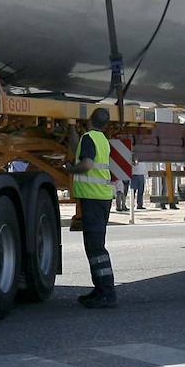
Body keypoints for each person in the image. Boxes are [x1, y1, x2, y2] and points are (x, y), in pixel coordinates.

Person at [68, 107, 118, 309]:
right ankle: (100, 289)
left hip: (93, 198)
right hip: (100, 198)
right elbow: (80, 151)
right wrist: (71, 130)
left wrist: (70, 170)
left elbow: (86, 164)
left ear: (89, 120)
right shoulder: (100, 139)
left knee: (96, 247)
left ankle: (106, 292)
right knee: (95, 246)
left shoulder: (89, 138)